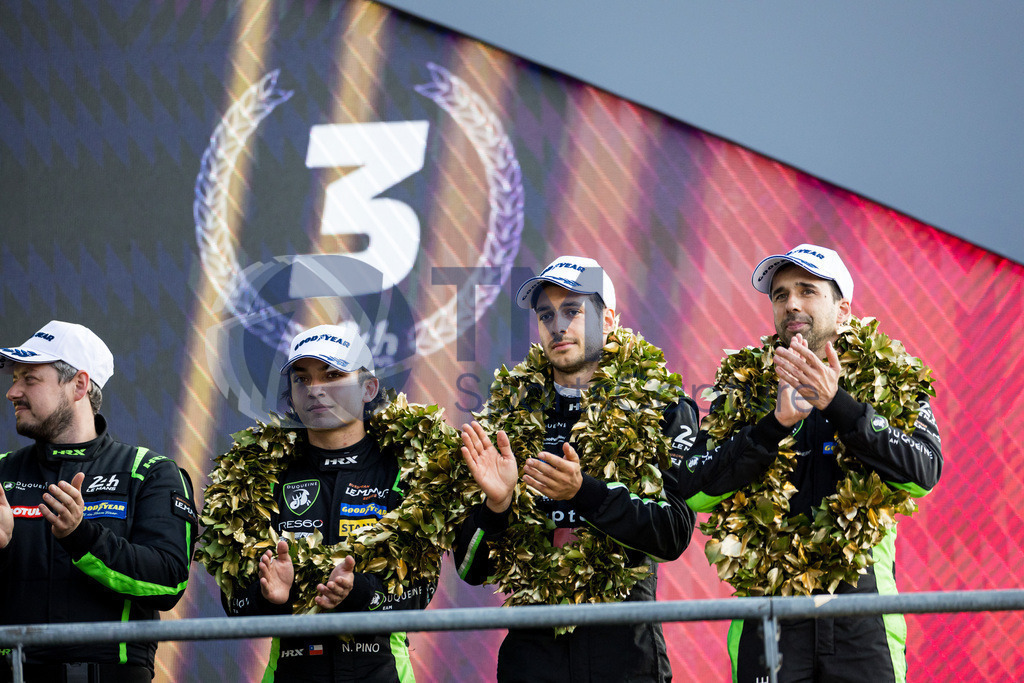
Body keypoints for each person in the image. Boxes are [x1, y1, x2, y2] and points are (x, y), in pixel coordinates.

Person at [680, 244, 943, 683]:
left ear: (843, 311)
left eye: (807, 290)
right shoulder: (741, 389)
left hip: (862, 613)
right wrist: (774, 425)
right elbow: (695, 487)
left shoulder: (892, 379)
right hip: (769, 613)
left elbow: (924, 473)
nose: (792, 303)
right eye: (780, 295)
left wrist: (838, 405)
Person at [453, 256, 698, 682]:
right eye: (546, 315)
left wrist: (584, 492)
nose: (557, 325)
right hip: (533, 654)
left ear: (610, 321)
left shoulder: (663, 407)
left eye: (573, 311)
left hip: (624, 650)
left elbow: (674, 533)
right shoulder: (505, 418)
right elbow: (470, 570)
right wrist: (497, 505)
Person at [219, 324, 436, 682]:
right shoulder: (260, 476)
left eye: (333, 375)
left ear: (368, 388)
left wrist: (358, 592)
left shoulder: (404, 468)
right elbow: (235, 604)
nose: (315, 389)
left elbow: (421, 591)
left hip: (381, 670)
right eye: (302, 379)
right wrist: (270, 598)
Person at [0, 321, 198, 682]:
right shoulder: (1, 473)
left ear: (79, 385)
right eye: (15, 378)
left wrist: (82, 537)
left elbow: (168, 583)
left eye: (30, 379)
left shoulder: (149, 472)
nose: (12, 392)